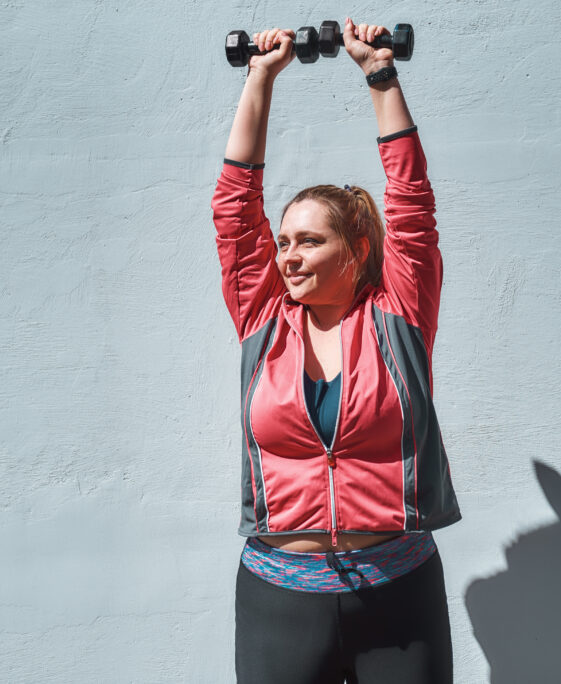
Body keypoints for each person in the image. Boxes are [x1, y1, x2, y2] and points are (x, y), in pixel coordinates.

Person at [212, 18, 461, 683]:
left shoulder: (399, 315)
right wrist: (259, 78)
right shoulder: (264, 318)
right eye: (284, 241)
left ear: (356, 253)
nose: (287, 256)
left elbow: (412, 203)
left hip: (397, 593)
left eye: (309, 242)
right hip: (278, 594)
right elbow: (235, 210)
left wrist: (379, 73)